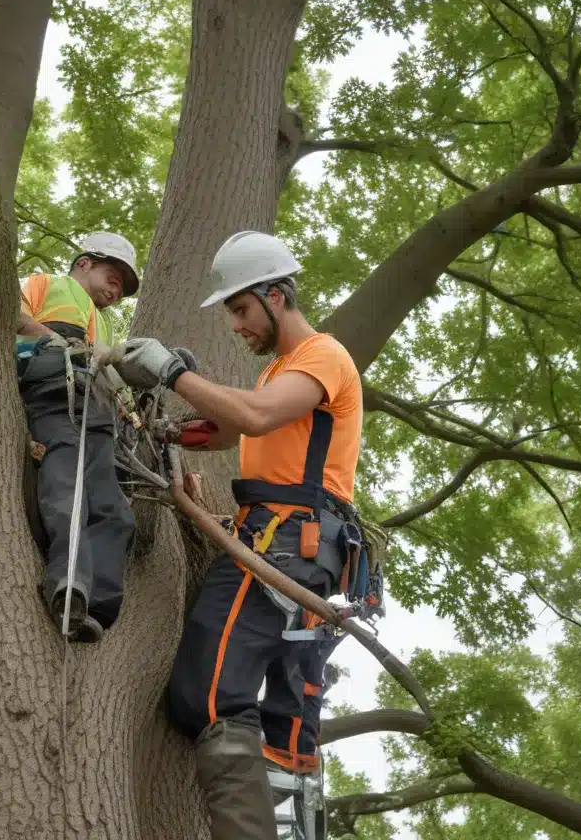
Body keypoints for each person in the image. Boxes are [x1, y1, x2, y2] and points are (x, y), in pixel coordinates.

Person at [114, 231, 364, 840]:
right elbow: (233, 431)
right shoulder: (283, 371)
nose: (235, 325)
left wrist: (171, 372)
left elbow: (252, 417)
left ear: (277, 296)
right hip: (290, 543)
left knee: (207, 696)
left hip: (282, 544)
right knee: (280, 730)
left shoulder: (321, 356)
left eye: (240, 309)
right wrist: (173, 431)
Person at [16, 231, 139, 644]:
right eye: (113, 277)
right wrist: (58, 342)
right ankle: (70, 588)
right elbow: (11, 315)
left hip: (98, 413)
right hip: (54, 396)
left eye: (123, 287)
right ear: (84, 263)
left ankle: (100, 608)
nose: (116, 291)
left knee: (113, 508)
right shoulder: (45, 284)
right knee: (66, 488)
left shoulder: (104, 323)